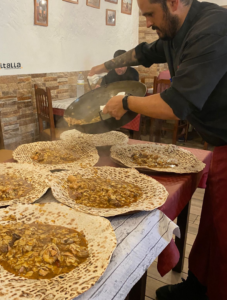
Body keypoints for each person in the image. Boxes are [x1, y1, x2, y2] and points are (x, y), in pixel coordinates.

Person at [89, 0, 227, 299]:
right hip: (221, 143)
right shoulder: (174, 32)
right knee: (212, 229)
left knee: (226, 234)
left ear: (174, 3)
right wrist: (106, 65)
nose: (148, 22)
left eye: (150, 14)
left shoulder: (214, 29)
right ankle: (198, 287)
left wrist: (124, 102)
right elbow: (143, 52)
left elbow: (176, 105)